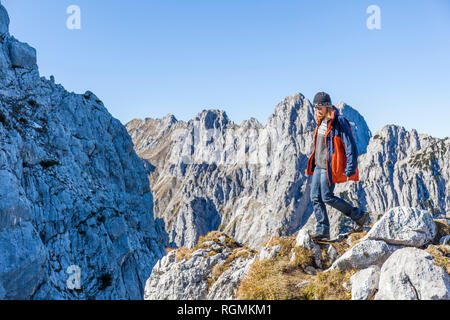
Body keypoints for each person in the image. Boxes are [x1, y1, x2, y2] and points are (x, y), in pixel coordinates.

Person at [305, 92, 368, 241]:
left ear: (327, 106)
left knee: (326, 197)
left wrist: (351, 166)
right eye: (316, 108)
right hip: (319, 166)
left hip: (329, 166)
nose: (317, 111)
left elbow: (350, 144)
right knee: (315, 197)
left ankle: (358, 215)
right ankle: (323, 230)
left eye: (319, 107)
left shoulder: (339, 121)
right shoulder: (321, 121)